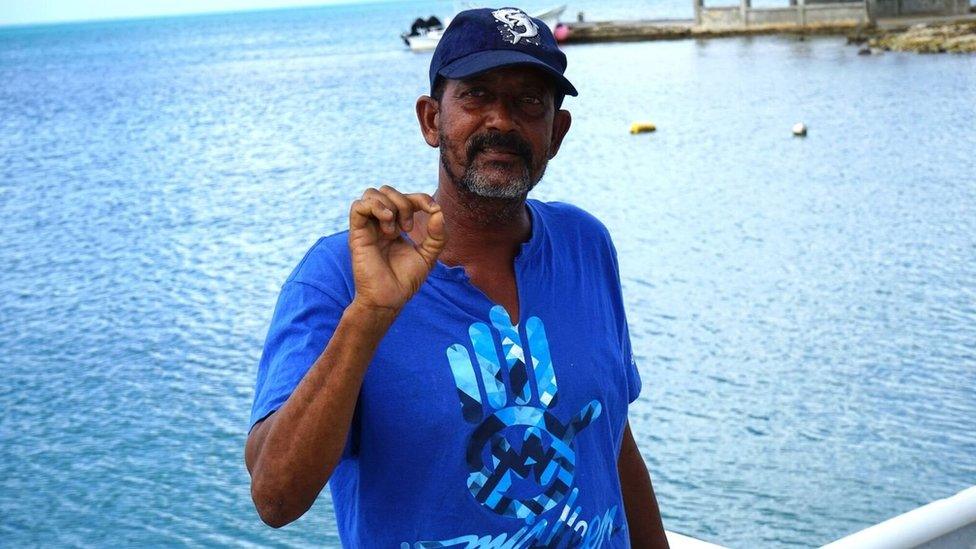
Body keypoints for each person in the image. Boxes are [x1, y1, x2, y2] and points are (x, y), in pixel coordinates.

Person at [245, 7, 669, 548]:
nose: (501, 120)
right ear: (431, 120)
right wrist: (370, 316)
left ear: (556, 131)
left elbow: (614, 443)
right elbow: (276, 498)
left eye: (528, 101)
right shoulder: (338, 277)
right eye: (476, 95)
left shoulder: (585, 244)